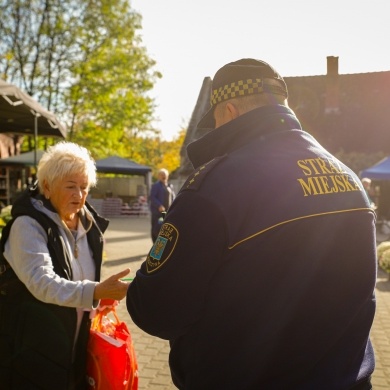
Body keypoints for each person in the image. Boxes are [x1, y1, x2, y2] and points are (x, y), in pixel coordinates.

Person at [126, 59, 376, 389]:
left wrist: (138, 286)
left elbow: (157, 310)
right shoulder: (348, 177)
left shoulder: (215, 185)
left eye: (215, 119)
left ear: (228, 110)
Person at [0, 142, 130, 389]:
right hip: (32, 350)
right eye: (71, 186)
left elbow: (81, 278)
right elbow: (42, 282)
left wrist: (101, 296)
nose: (79, 195)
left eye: (84, 188)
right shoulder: (27, 226)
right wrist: (94, 292)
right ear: (47, 186)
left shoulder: (89, 225)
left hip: (76, 348)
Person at [149, 168, 175, 242]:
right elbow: (152, 197)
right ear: (159, 176)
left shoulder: (170, 186)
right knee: (156, 229)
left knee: (166, 229)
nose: (163, 176)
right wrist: (159, 205)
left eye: (165, 175)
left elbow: (173, 197)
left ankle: (162, 246)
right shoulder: (156, 186)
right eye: (162, 175)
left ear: (167, 176)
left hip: (167, 212)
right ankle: (154, 245)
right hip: (158, 212)